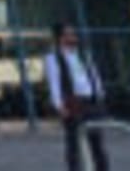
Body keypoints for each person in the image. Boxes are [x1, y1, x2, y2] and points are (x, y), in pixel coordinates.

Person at [45, 23, 110, 171]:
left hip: (90, 102)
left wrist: (100, 95)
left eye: (73, 34)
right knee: (73, 144)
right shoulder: (53, 58)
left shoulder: (84, 55)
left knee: (97, 143)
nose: (73, 37)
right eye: (69, 34)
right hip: (73, 103)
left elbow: (94, 76)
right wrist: (59, 105)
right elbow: (54, 82)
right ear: (60, 38)